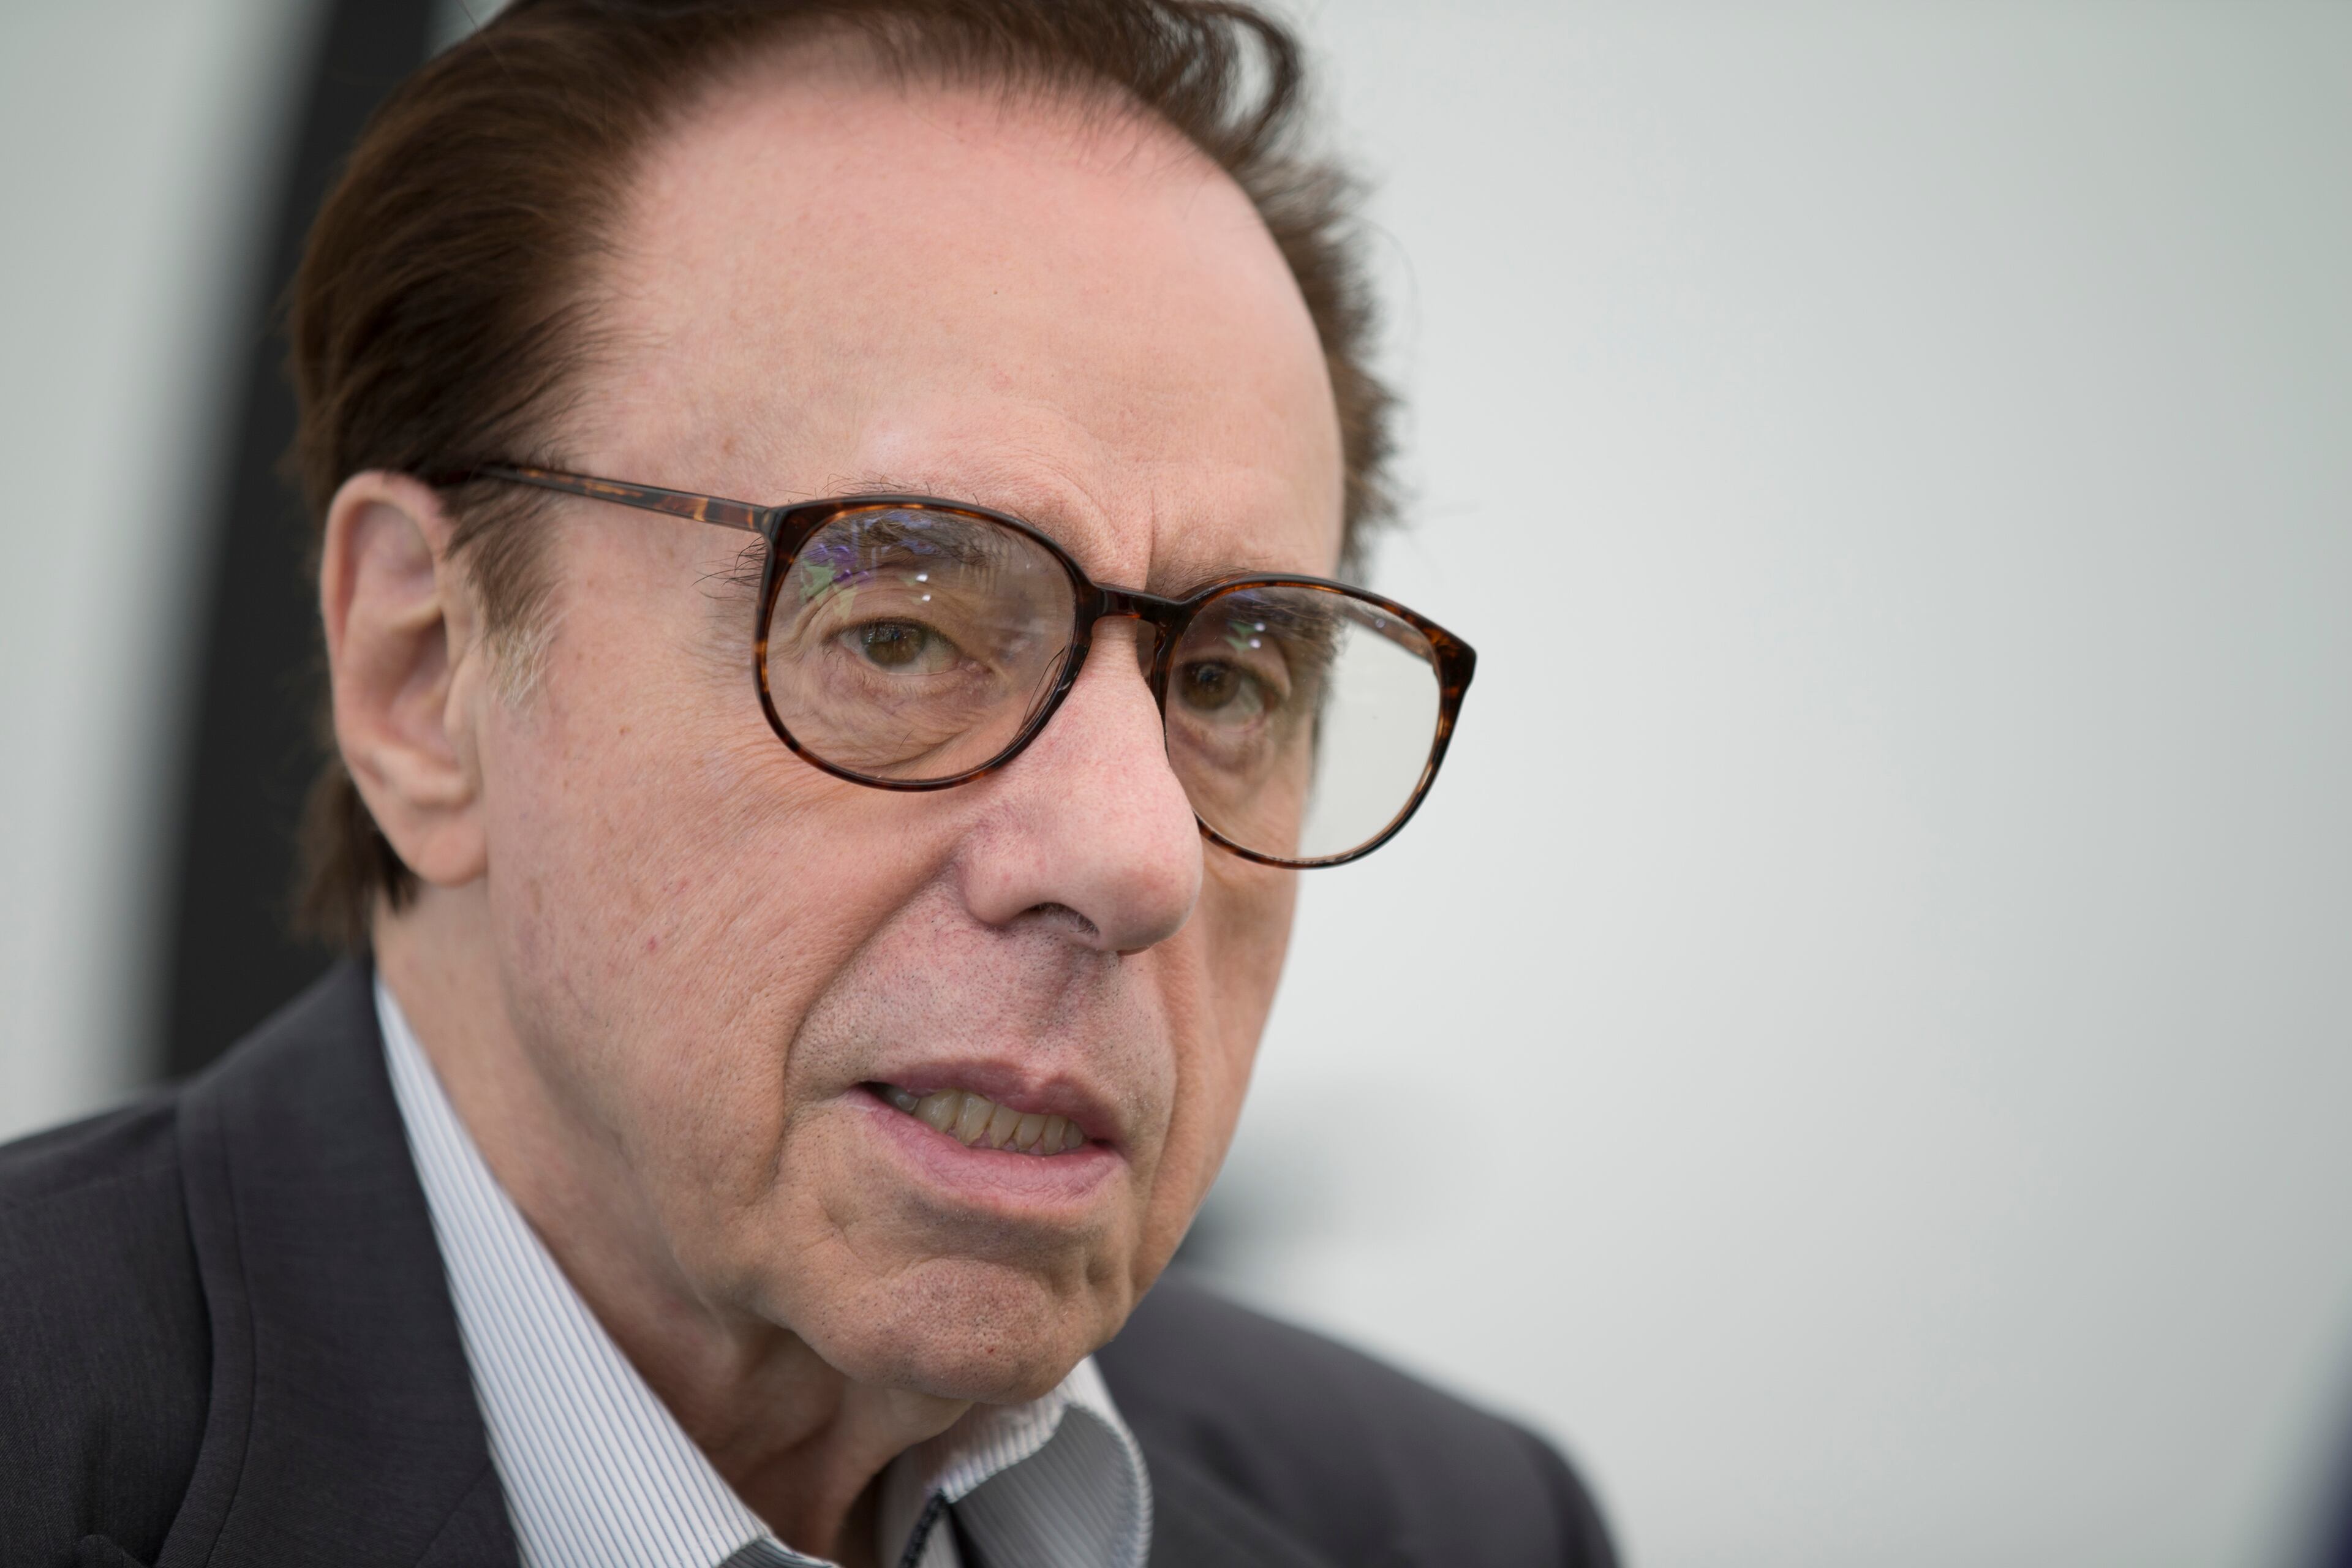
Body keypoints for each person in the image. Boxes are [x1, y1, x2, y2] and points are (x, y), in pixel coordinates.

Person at [0, 3, 1613, 1564]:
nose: (1139, 857)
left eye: (1227, 680)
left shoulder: (1451, 1524)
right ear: (424, 673)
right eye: (902, 631)